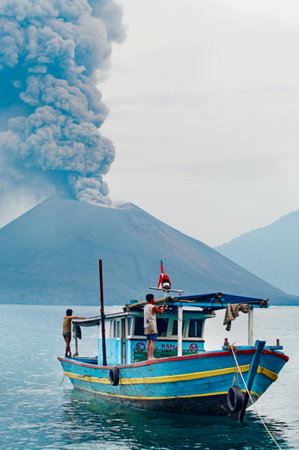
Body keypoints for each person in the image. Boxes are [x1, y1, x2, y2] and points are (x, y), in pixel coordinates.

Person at [144, 293, 167, 360]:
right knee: (152, 342)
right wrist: (163, 308)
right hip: (152, 325)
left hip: (146, 325)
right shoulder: (153, 307)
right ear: (152, 299)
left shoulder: (146, 306)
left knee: (148, 341)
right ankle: (151, 356)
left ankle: (148, 356)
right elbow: (161, 312)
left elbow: (153, 311)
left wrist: (158, 308)